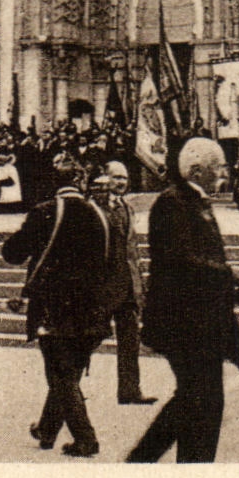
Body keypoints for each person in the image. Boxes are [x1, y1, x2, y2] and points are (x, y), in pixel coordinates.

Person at [129, 137, 239, 464]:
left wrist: (229, 284)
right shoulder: (173, 202)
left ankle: (173, 465)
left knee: (200, 399)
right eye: (219, 167)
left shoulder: (195, 201)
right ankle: (146, 462)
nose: (225, 174)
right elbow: (181, 261)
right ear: (196, 171)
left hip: (200, 322)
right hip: (183, 323)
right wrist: (228, 274)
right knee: (200, 398)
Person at [2, 160, 112, 457]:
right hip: (93, 309)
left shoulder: (45, 212)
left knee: (61, 375)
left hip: (54, 308)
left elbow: (13, 253)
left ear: (54, 183)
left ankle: (86, 439)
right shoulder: (100, 214)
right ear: (82, 182)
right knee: (69, 372)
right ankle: (47, 430)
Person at [93, 161, 156, 406]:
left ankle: (130, 390)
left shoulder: (127, 208)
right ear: (105, 178)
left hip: (128, 286)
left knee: (130, 339)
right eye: (116, 177)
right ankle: (63, 400)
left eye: (124, 178)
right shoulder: (94, 207)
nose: (121, 182)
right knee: (85, 343)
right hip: (103, 286)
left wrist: (139, 283)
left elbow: (133, 250)